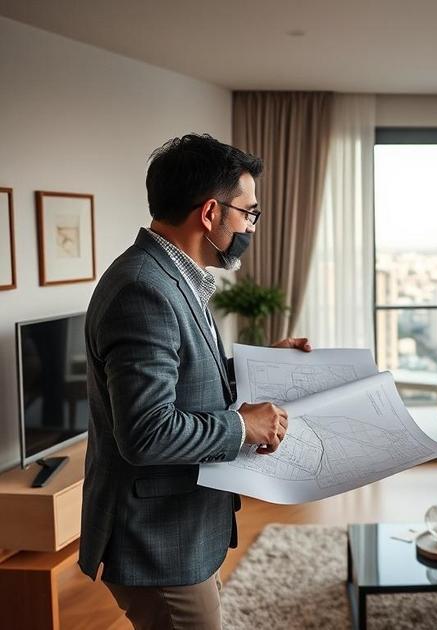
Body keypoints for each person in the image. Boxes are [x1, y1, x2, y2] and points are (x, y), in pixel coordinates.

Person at [79, 134, 311, 629]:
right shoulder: (144, 289)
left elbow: (184, 375)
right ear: (210, 213)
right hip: (158, 539)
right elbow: (147, 432)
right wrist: (243, 426)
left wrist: (260, 363)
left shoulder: (174, 276)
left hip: (181, 527)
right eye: (249, 213)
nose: (251, 226)